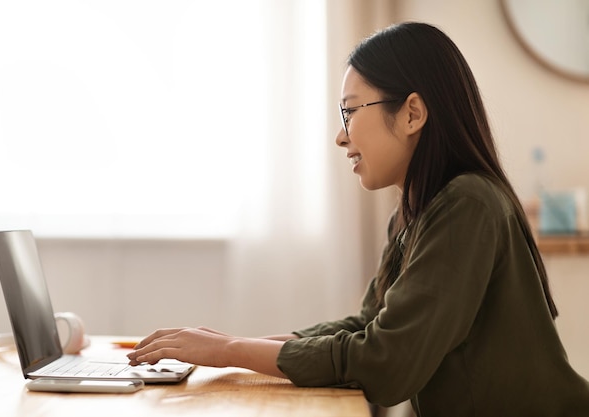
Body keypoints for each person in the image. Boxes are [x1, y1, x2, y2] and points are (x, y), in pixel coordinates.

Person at [127, 22, 589, 415]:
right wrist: (229, 347)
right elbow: (367, 327)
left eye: (350, 111)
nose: (340, 136)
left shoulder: (467, 203)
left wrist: (231, 352)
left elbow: (386, 364)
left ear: (412, 113)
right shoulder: (417, 210)